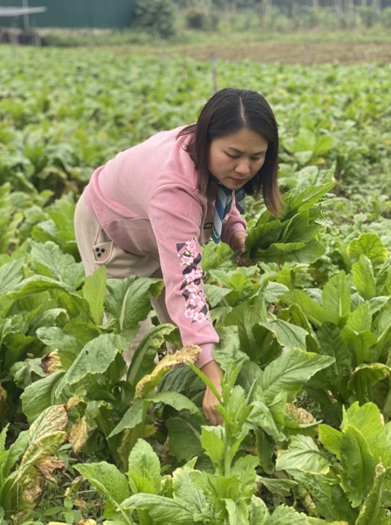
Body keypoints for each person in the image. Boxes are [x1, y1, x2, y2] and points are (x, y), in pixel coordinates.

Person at [74, 88, 283, 425]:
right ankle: (140, 432)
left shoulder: (218, 159)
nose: (244, 168)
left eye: (256, 157)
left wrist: (236, 233)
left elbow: (223, 198)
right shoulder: (173, 191)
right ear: (207, 140)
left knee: (182, 339)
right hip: (112, 232)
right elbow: (186, 287)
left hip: (160, 229)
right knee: (132, 348)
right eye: (233, 154)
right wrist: (212, 371)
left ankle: (182, 416)